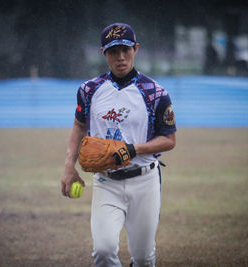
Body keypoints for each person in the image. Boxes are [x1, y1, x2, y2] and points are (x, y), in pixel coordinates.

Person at [61, 23, 177, 267]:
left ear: (136, 49)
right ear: (104, 53)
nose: (121, 57)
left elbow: (169, 140)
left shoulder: (155, 93)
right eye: (114, 51)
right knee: (103, 252)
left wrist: (133, 149)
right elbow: (79, 125)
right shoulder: (89, 90)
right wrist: (69, 165)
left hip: (144, 181)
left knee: (144, 259)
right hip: (106, 182)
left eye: (126, 49)